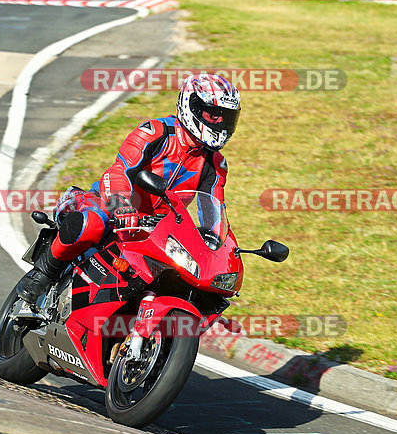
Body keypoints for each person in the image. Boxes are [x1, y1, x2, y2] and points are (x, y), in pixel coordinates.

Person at [16, 73, 242, 304]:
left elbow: (213, 208)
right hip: (110, 204)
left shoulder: (216, 164)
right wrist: (120, 205)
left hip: (158, 228)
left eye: (226, 117)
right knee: (91, 224)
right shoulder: (155, 132)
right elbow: (119, 171)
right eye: (213, 115)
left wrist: (217, 244)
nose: (220, 123)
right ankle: (44, 273)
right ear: (190, 105)